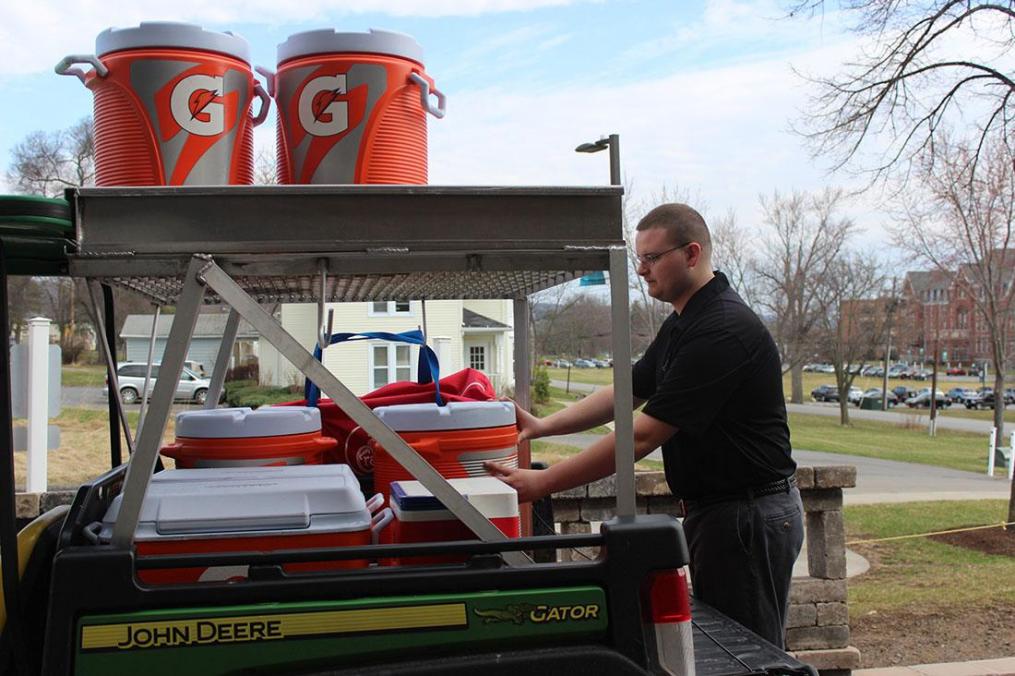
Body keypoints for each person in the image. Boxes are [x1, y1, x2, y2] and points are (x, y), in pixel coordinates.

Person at [485, 202, 803, 648]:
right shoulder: (685, 322)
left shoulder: (721, 330)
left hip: (746, 515)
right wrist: (542, 426)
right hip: (724, 512)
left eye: (652, 258)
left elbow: (641, 435)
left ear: (692, 254)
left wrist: (543, 484)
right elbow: (628, 390)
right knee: (737, 646)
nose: (641, 269)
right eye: (639, 258)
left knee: (749, 652)